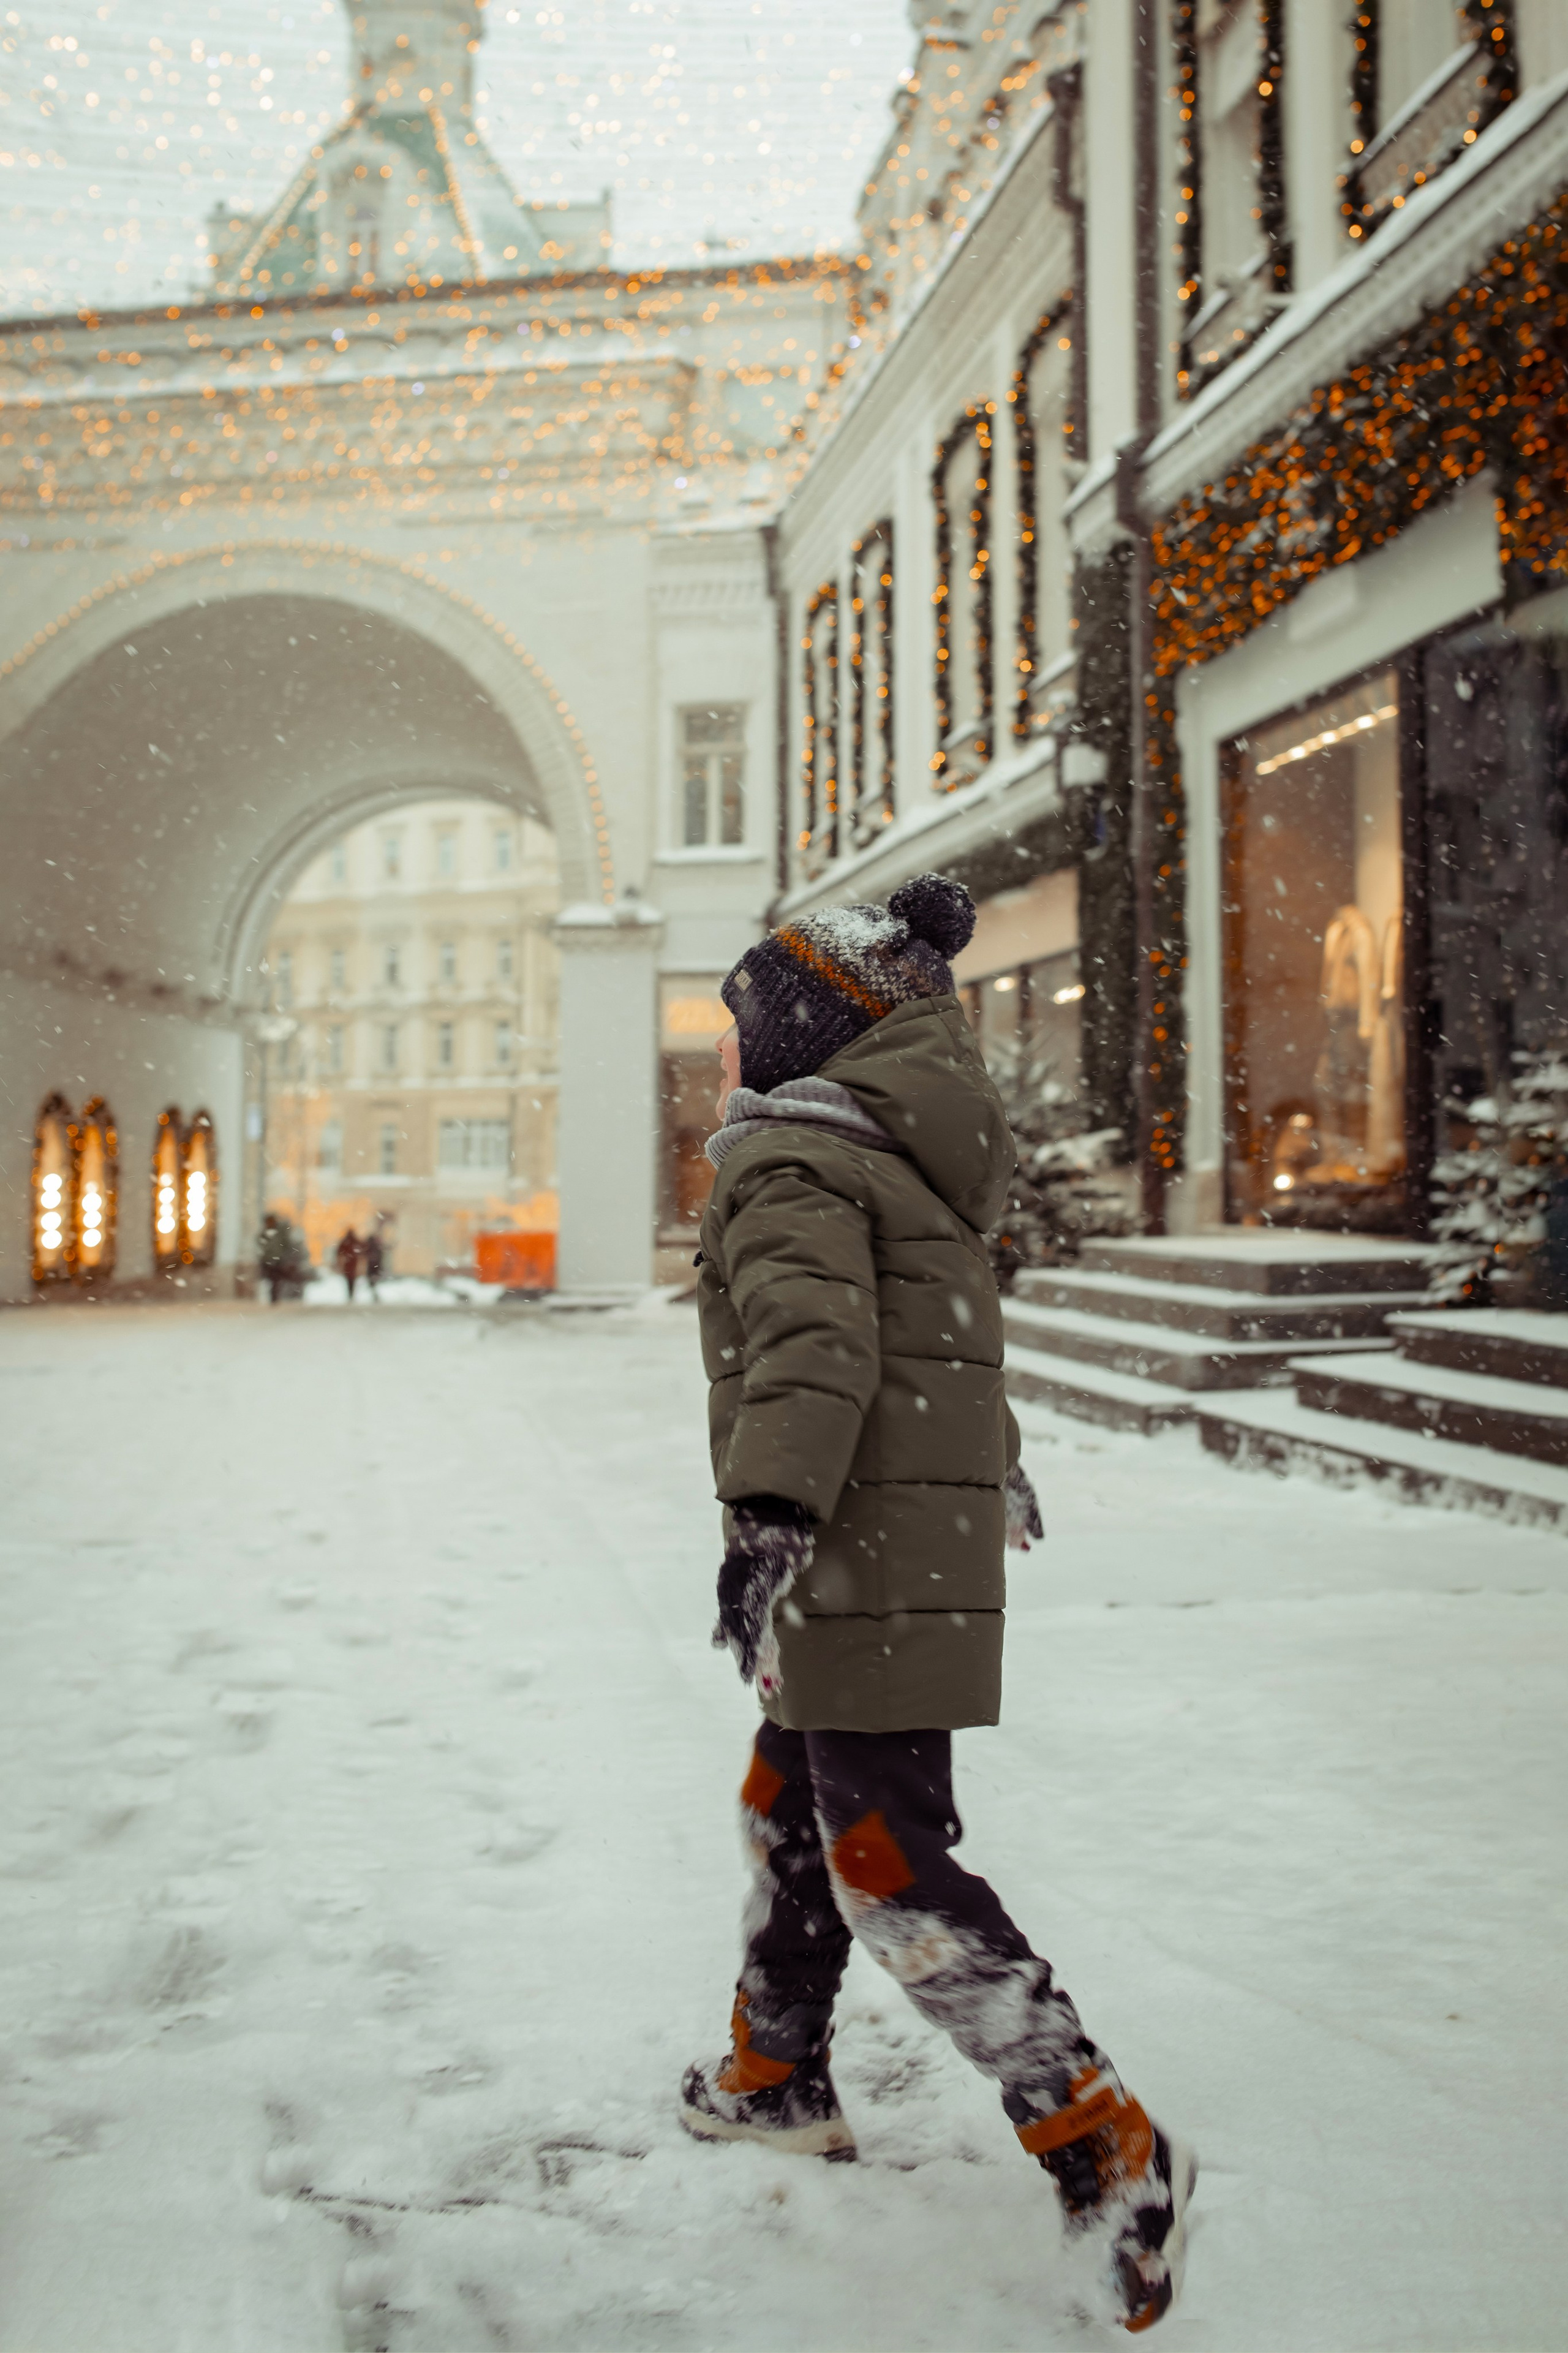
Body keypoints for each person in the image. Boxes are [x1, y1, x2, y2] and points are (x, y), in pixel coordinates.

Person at [681, 874, 1194, 2333]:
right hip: (893, 1549)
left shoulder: (787, 1160)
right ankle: (772, 2068)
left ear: (789, 1038)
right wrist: (990, 1473)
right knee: (791, 1809)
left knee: (882, 1858)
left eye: (733, 1029)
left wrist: (769, 1514)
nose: (721, 1058)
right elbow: (936, 1337)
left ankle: (1101, 2138)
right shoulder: (895, 1156)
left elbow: (814, 1349)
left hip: (849, 1554)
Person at [334, 1226, 362, 1302]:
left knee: (349, 1280)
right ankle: (351, 1294)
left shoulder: (346, 1242)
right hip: (353, 1264)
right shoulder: (355, 1241)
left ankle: (350, 1294)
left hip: (348, 1264)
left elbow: (339, 1252)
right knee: (352, 1280)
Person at [363, 1225, 385, 1301]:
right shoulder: (377, 1247)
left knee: (372, 1281)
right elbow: (381, 1256)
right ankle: (375, 1294)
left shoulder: (370, 1247)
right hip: (375, 1267)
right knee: (374, 1281)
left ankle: (374, 1294)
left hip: (372, 1267)